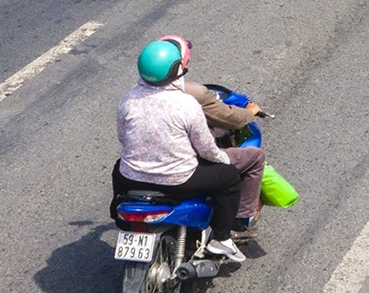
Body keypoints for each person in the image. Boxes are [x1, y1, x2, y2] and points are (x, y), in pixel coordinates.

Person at [114, 39, 250, 264]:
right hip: (179, 180)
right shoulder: (186, 104)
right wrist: (224, 159)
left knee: (117, 167)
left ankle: (118, 215)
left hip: (132, 178)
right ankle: (223, 238)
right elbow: (206, 149)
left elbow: (123, 137)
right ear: (177, 69)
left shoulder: (128, 99)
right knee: (230, 178)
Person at [151, 34, 267, 237]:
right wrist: (249, 113)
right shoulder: (190, 97)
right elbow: (211, 140)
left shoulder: (132, 98)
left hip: (138, 172)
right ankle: (235, 226)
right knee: (242, 166)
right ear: (180, 64)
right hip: (181, 173)